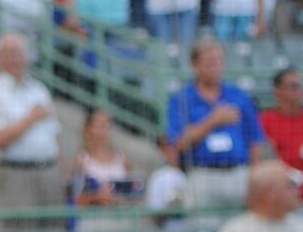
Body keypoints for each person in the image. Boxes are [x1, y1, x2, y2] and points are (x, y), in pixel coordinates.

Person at [164, 34, 271, 210]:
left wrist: (254, 176)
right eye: (209, 63)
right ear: (195, 65)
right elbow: (178, 143)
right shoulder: (181, 99)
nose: (216, 67)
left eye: (219, 61)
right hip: (202, 174)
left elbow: (254, 141)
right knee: (199, 228)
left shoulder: (239, 96)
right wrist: (212, 121)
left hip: (239, 172)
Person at [0, 32, 62, 213]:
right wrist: (30, 118)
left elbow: (54, 135)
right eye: (8, 53)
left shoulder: (39, 89)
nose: (13, 58)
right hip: (16, 173)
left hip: (48, 172)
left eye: (17, 52)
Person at [68, 108, 142, 220]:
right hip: (94, 221)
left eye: (108, 125)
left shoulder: (122, 159)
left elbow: (133, 193)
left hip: (120, 219)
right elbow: (74, 199)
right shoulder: (81, 160)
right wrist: (96, 197)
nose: (105, 129)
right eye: (101, 125)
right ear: (89, 129)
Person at [262, 67, 303, 176]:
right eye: (294, 86)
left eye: (299, 86)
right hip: (279, 182)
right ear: (278, 90)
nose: (299, 91)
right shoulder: (264, 120)